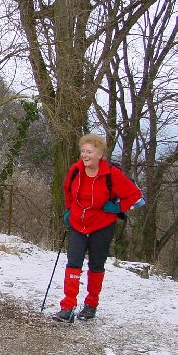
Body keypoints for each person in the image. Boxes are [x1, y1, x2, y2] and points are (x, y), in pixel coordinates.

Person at [53, 133, 144, 322]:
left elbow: (135, 195)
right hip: (78, 223)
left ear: (100, 154)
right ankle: (68, 307)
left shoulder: (111, 174)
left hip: (102, 224)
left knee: (96, 265)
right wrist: (69, 210)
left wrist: (118, 207)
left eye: (89, 152)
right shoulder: (76, 170)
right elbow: (67, 190)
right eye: (83, 151)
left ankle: (91, 305)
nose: (85, 155)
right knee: (73, 263)